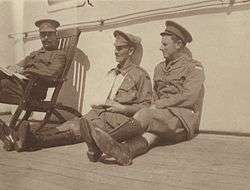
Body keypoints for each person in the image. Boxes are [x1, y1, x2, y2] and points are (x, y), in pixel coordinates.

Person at [0, 30, 153, 163]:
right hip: (96, 113)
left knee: (75, 129)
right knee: (68, 125)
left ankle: (32, 140)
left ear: (131, 51)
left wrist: (123, 107)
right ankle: (24, 138)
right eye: (115, 48)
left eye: (120, 48)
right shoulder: (111, 73)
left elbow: (146, 108)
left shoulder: (140, 74)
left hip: (116, 119)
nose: (116, 52)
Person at [90, 20, 205, 166]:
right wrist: (154, 106)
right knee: (150, 135)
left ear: (179, 45)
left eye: (165, 45)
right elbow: (155, 95)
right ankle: (126, 151)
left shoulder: (193, 67)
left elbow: (189, 97)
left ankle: (98, 143)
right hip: (163, 120)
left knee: (146, 114)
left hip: (182, 121)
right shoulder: (159, 68)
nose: (160, 48)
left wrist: (157, 105)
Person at [0, 19, 66, 103]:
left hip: (34, 90)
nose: (46, 38)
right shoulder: (34, 54)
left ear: (55, 36)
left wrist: (25, 72)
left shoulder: (59, 55)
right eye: (43, 35)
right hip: (21, 84)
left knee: (4, 83)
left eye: (49, 34)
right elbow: (17, 66)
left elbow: (51, 74)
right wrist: (12, 68)